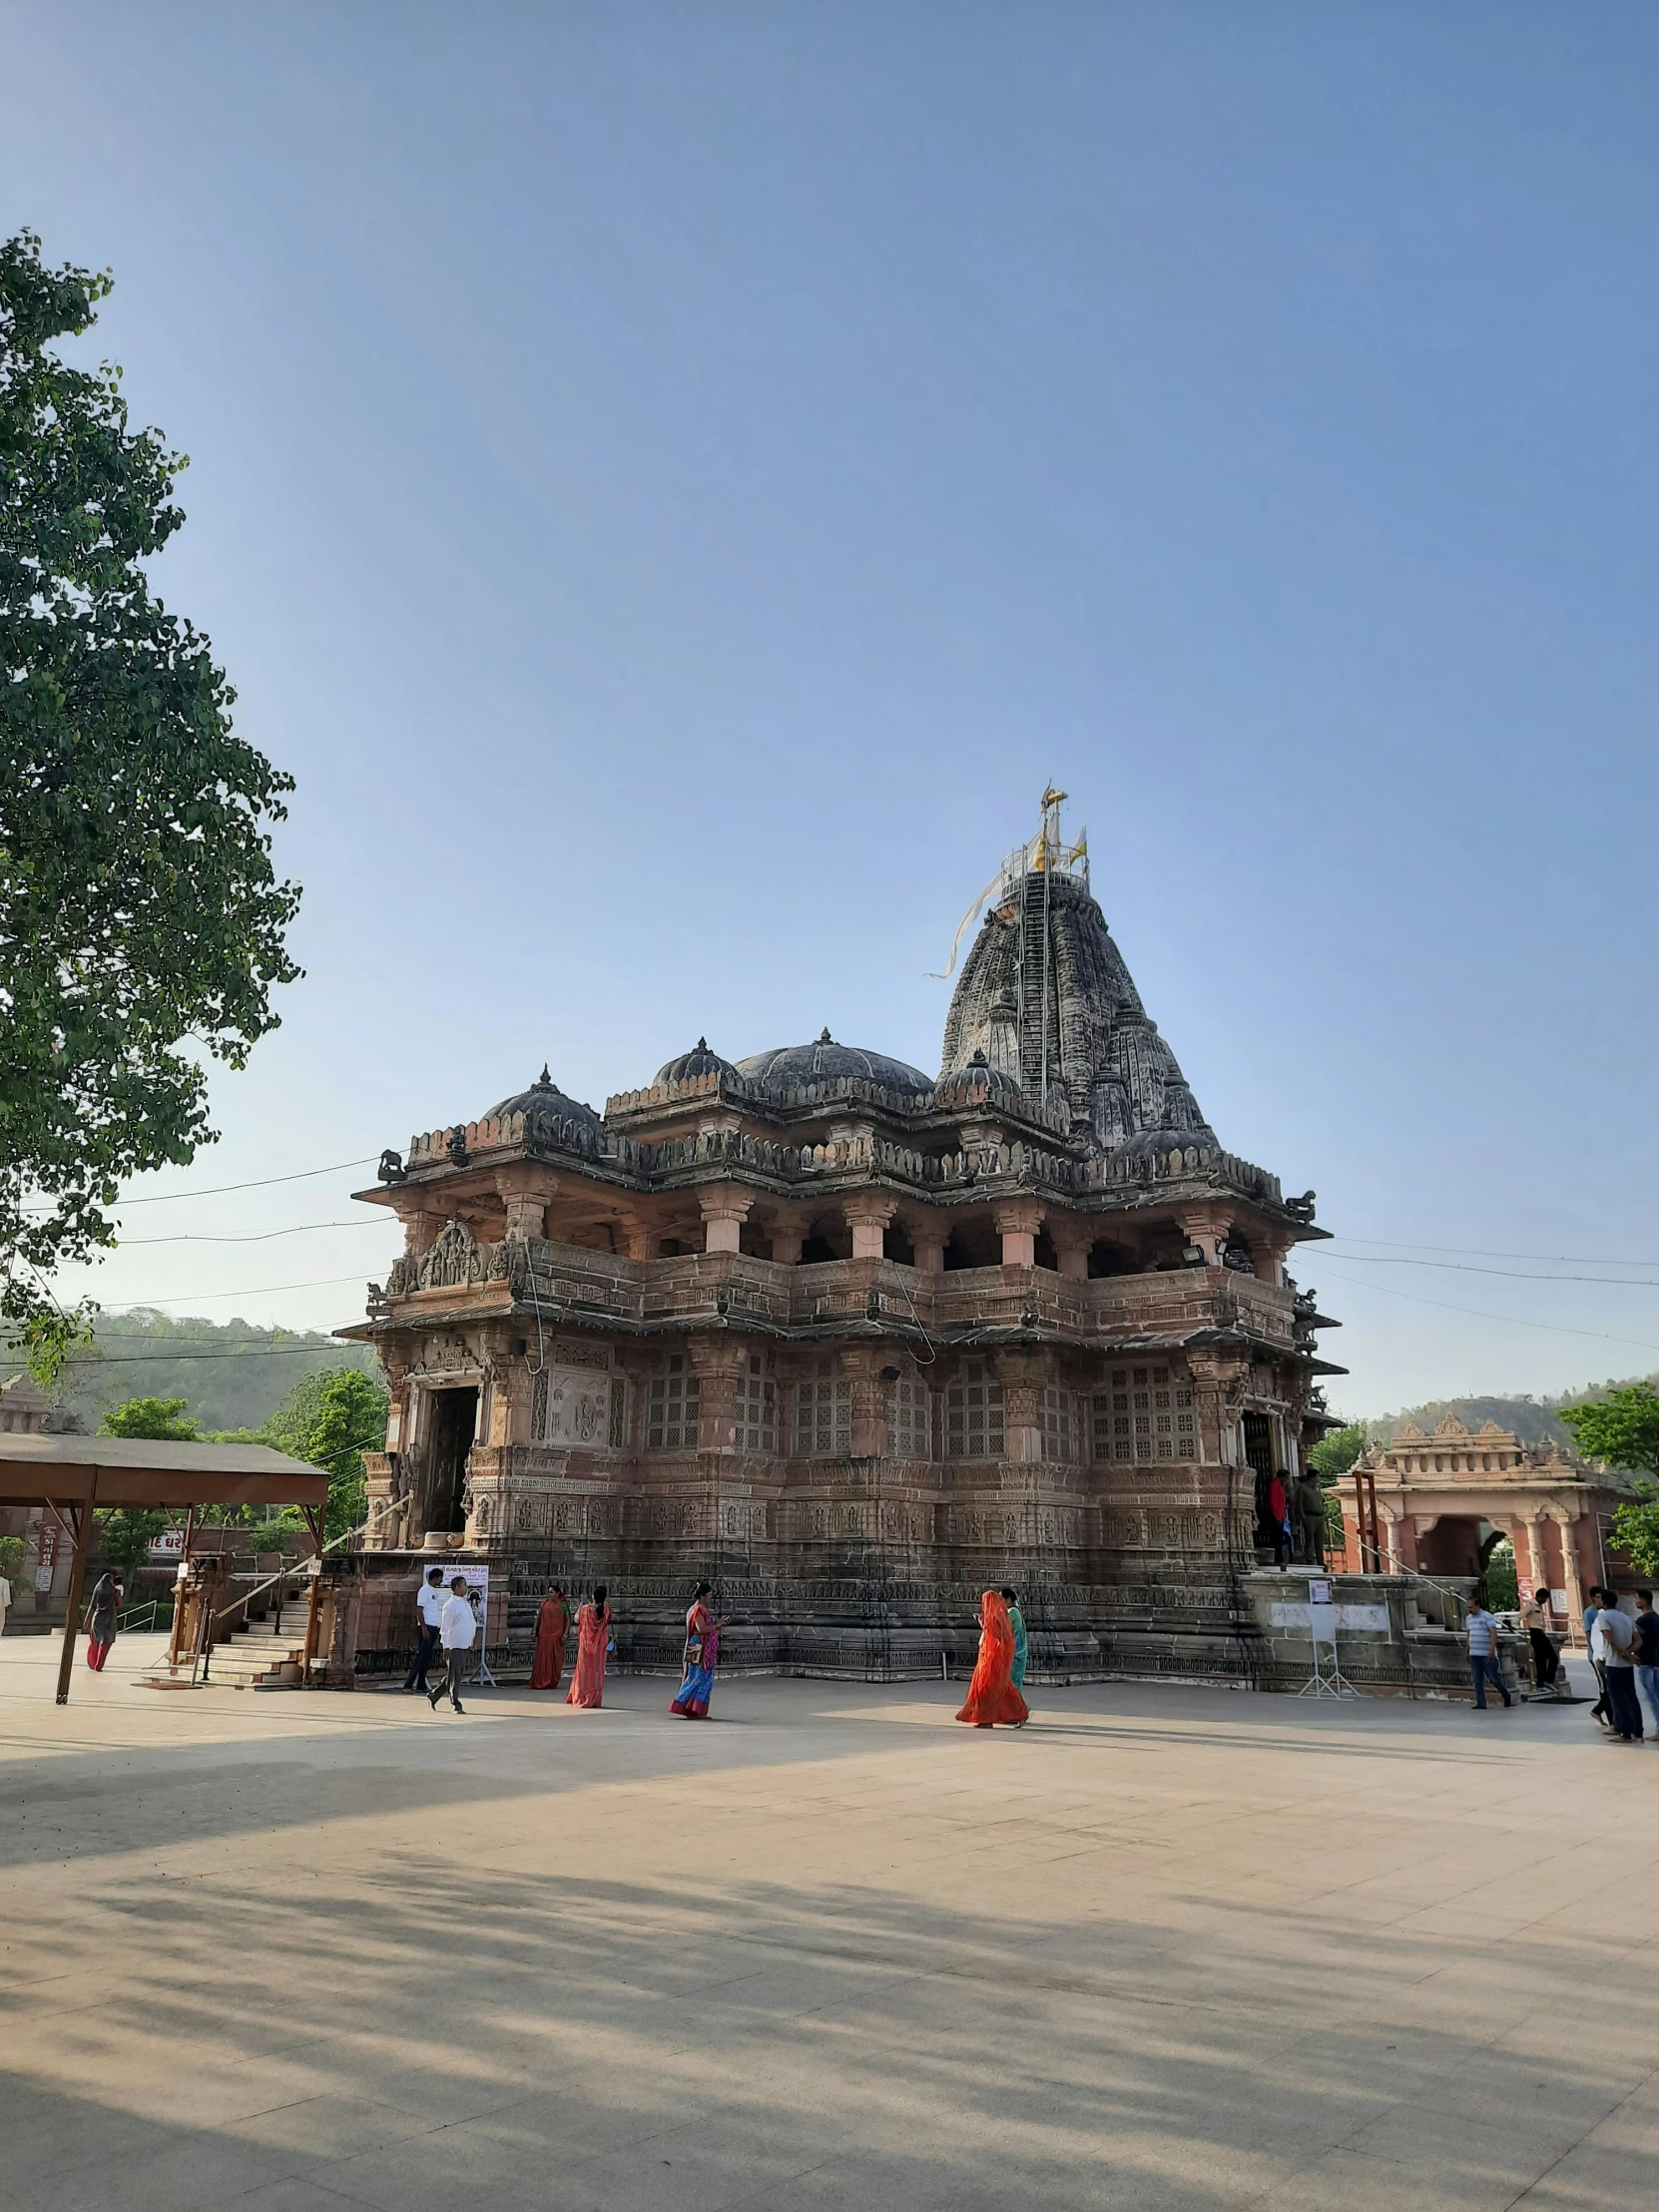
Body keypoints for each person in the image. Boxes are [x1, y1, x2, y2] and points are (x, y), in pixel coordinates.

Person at [955, 1589, 1029, 1729]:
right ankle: (986, 1719)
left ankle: (1019, 1713)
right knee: (985, 1688)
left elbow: (996, 1636)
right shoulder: (997, 1617)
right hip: (987, 1656)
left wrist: (982, 1623)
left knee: (994, 1687)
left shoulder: (1003, 1617)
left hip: (994, 1658)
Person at [670, 1581, 732, 1719]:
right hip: (698, 1647)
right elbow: (701, 1629)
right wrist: (717, 1625)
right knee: (698, 1677)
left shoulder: (697, 1609)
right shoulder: (698, 1610)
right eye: (709, 1595)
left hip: (697, 1646)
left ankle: (695, 1709)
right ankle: (687, 1706)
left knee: (698, 1677)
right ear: (702, 1596)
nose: (710, 1598)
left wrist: (718, 1624)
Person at [1592, 1594, 1642, 1742]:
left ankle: (1625, 1733)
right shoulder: (1625, 1617)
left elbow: (1611, 1640)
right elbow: (1639, 1640)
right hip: (1626, 1666)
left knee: (1618, 1700)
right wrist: (1630, 1653)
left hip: (1614, 1663)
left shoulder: (1603, 1617)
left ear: (1604, 1602)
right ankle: (1638, 1733)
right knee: (1631, 1698)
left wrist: (1625, 1655)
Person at [427, 1574, 475, 1715]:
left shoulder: (465, 1604)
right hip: (454, 1645)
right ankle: (455, 1703)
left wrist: (471, 1641)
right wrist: (446, 1647)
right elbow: (445, 1628)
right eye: (464, 1585)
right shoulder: (450, 1605)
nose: (466, 1587)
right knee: (455, 1676)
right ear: (457, 1587)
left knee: (454, 1674)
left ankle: (434, 1694)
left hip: (464, 1644)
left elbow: (470, 1623)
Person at [566, 1584, 611, 1710]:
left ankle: (582, 1697)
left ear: (593, 1596)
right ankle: (595, 1698)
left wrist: (581, 1605)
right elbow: (606, 1620)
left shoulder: (585, 1609)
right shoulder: (607, 1608)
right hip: (601, 1645)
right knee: (598, 1671)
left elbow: (576, 1620)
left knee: (584, 1672)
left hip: (586, 1645)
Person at [403, 1564, 446, 1694]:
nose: (441, 1581)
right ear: (436, 1578)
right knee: (421, 1656)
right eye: (440, 1578)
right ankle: (408, 1684)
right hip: (426, 1626)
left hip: (433, 1625)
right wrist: (423, 1628)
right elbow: (419, 1610)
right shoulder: (425, 1590)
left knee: (427, 1657)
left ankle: (421, 1684)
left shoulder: (433, 1591)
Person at [1464, 1597, 1511, 1710]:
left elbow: (1494, 1634)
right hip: (1474, 1653)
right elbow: (1469, 1635)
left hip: (1485, 1653)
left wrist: (1491, 1649)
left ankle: (1506, 1695)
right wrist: (1467, 1651)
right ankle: (1481, 1702)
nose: (1470, 1610)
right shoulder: (1468, 1619)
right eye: (1468, 1607)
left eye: (1472, 1607)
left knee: (1494, 1679)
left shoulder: (1487, 1616)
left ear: (1477, 1606)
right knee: (1477, 1680)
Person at [531, 1582, 571, 1691]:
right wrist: (534, 1631)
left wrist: (565, 1634)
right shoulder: (544, 1604)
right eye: (549, 1592)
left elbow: (568, 1620)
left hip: (557, 1636)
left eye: (552, 1592)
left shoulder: (563, 1605)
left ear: (558, 1593)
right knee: (542, 1659)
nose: (549, 1594)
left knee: (555, 1659)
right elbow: (538, 1618)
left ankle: (551, 1680)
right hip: (544, 1635)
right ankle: (541, 1681)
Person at [1631, 1592, 1659, 1746]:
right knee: (1656, 1695)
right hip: (1655, 1661)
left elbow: (1636, 1639)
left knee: (1651, 1697)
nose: (1635, 1601)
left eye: (1636, 1598)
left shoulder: (1644, 1620)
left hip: (1646, 1661)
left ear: (1644, 1601)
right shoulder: (1656, 1617)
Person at [1520, 1588, 1560, 1691]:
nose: (1545, 1601)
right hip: (1535, 1633)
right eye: (1545, 1598)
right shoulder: (1531, 1605)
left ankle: (1546, 1681)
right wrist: (1513, 1624)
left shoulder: (1539, 1607)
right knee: (1543, 1659)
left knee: (1550, 1658)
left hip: (1541, 1633)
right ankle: (1541, 1683)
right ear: (1540, 1597)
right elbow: (1520, 1615)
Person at [84, 1571, 123, 1672]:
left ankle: (92, 1662)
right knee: (106, 1643)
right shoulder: (115, 1592)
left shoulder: (98, 1590)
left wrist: (87, 1620)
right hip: (109, 1619)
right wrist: (118, 1593)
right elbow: (119, 1605)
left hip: (97, 1619)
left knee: (95, 1641)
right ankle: (99, 1665)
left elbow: (92, 1606)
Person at [1583, 1588, 1611, 1728]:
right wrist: (1596, 1655)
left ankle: (1598, 1710)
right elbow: (1589, 1635)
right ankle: (1604, 1714)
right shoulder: (1590, 1613)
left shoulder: (1605, 1612)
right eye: (1599, 1597)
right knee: (1604, 1687)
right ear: (1593, 1598)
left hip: (1606, 1654)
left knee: (1609, 1687)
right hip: (1597, 1655)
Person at [1001, 1586, 1029, 1695]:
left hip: (1015, 1653)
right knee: (1014, 1685)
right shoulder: (1014, 1611)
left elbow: (1000, 1624)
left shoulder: (1012, 1612)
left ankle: (1018, 1709)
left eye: (1002, 1599)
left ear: (1008, 1599)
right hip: (1016, 1653)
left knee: (1013, 1685)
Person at [1267, 1472, 1291, 1568]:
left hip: (1281, 1516)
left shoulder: (1280, 1486)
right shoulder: (1275, 1485)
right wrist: (1277, 1517)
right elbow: (1273, 1501)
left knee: (1282, 1538)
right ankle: (1278, 1558)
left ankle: (1280, 1558)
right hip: (1276, 1516)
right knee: (1278, 1539)